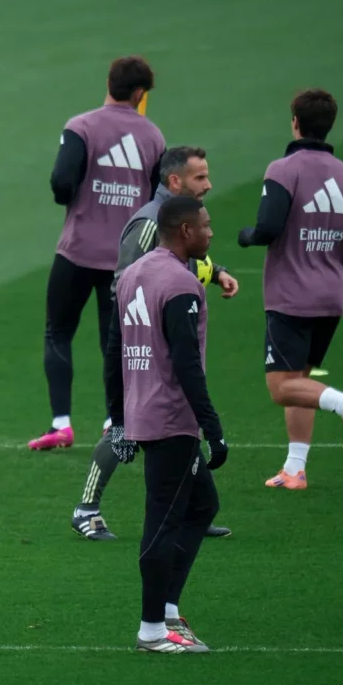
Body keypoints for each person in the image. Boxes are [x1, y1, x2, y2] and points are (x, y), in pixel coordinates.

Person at [72, 146, 237, 540]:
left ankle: (194, 505)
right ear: (175, 181)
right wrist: (134, 337)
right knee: (128, 424)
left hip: (158, 331)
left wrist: (216, 274)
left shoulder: (181, 222)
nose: (208, 185)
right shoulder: (149, 222)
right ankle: (86, 509)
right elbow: (127, 280)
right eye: (200, 177)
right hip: (140, 335)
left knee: (176, 414)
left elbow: (178, 262)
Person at [238, 89, 343, 488]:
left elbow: (268, 227)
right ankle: (295, 468)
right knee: (300, 381)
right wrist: (336, 257)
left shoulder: (284, 170)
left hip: (292, 294)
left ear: (295, 122)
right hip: (331, 295)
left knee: (280, 386)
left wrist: (247, 235)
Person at [106, 195, 226, 653]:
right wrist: (212, 427)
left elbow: (114, 354)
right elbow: (186, 363)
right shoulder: (179, 284)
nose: (211, 233)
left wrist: (118, 419)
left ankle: (170, 611)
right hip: (171, 419)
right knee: (161, 522)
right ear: (184, 231)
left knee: (201, 507)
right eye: (206, 226)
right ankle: (153, 630)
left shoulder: (131, 276)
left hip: (143, 412)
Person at [29, 55, 166, 451]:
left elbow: (61, 181)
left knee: (58, 332)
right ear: (140, 93)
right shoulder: (154, 137)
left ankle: (61, 425)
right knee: (117, 342)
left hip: (77, 251)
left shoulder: (81, 126)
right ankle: (114, 421)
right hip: (126, 261)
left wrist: (77, 201)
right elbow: (159, 197)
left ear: (110, 83)